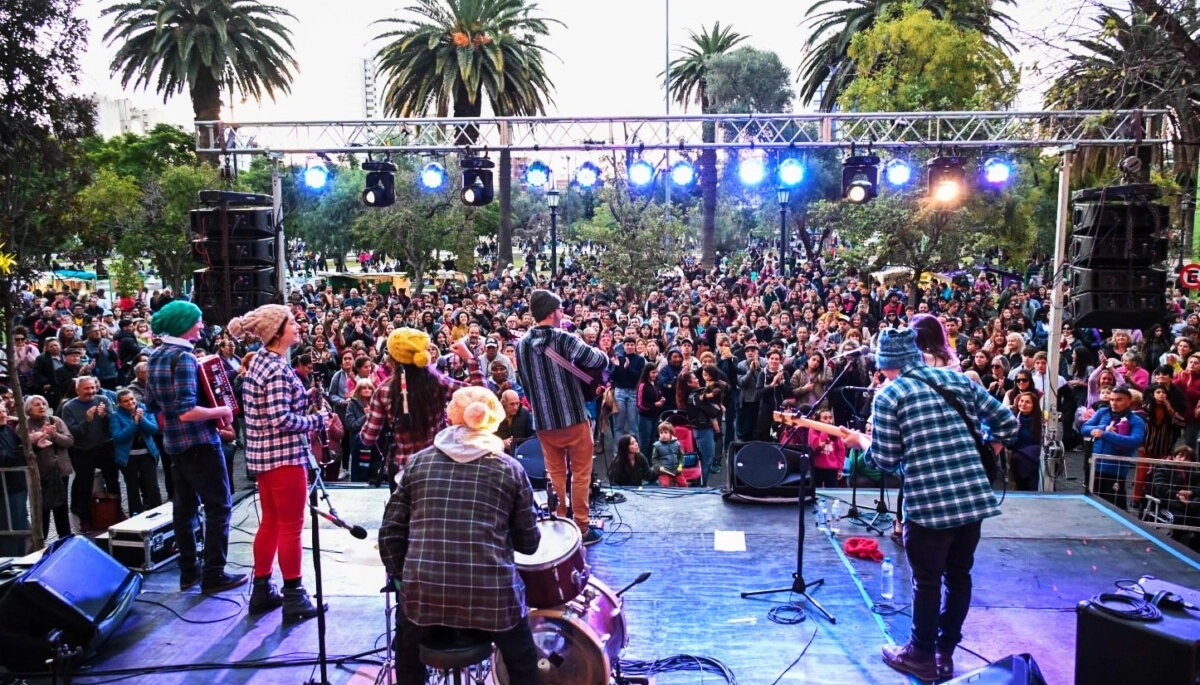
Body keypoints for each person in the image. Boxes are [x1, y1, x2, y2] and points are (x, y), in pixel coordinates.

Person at [840, 328, 1017, 683]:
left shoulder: (889, 395)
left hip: (928, 504)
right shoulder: (957, 380)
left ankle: (920, 655)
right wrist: (985, 451)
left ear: (886, 363)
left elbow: (886, 460)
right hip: (972, 498)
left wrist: (861, 442)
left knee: (927, 581)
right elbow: (1007, 423)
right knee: (959, 576)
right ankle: (944, 653)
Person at [379, 386, 541, 684]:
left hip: (424, 592)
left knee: (406, 652)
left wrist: (406, 576)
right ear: (493, 421)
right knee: (524, 663)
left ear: (451, 417)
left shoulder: (418, 462)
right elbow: (529, 544)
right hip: (491, 595)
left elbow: (389, 534)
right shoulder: (510, 469)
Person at [230, 303, 336, 620]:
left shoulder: (263, 362)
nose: (297, 326)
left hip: (265, 458)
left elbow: (277, 407)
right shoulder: (276, 369)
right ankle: (294, 596)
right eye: (291, 322)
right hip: (284, 459)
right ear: (277, 332)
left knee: (271, 523)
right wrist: (317, 420)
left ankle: (262, 590)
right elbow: (281, 419)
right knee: (291, 528)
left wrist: (307, 396)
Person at [144, 302, 246, 595]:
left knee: (184, 509)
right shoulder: (185, 359)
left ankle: (189, 572)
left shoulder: (155, 355)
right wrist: (222, 410)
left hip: (174, 446)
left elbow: (151, 405)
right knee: (219, 507)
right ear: (184, 324)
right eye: (198, 321)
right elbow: (187, 411)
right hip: (200, 444)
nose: (202, 325)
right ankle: (214, 574)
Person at [515, 290, 609, 546]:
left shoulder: (521, 345)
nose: (562, 313)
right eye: (559, 309)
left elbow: (525, 382)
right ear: (550, 312)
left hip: (544, 423)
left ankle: (559, 521)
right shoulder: (564, 339)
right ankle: (581, 526)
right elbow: (599, 360)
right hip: (573, 418)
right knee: (580, 473)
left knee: (555, 473)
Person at [360, 328, 480, 485]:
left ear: (393, 359)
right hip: (437, 465)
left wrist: (368, 416)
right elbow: (481, 395)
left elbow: (368, 438)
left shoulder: (383, 391)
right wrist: (469, 358)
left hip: (403, 471)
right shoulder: (437, 383)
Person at [60, 375, 120, 533]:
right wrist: (87, 420)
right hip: (83, 450)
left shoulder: (103, 400)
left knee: (113, 482)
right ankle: (84, 519)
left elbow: (114, 423)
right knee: (84, 486)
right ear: (77, 390)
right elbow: (73, 433)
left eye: (93, 387)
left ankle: (117, 511)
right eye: (86, 388)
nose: (91, 391)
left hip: (105, 446)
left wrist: (105, 416)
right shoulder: (69, 407)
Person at [1081, 386, 1146, 511]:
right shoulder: (1103, 412)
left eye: (1118, 400)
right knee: (1092, 505)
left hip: (1115, 469)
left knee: (1116, 507)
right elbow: (1084, 428)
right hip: (1095, 466)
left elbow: (1135, 441)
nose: (1114, 403)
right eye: (1111, 400)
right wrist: (1103, 428)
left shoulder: (1136, 420)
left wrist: (1106, 435)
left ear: (1129, 401)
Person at [20, 395, 73, 539]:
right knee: (42, 508)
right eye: (37, 404)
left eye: (43, 403)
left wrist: (54, 435)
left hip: (60, 471)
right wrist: (34, 441)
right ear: (29, 409)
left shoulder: (55, 421)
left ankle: (65, 538)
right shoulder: (24, 426)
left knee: (61, 507)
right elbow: (22, 450)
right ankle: (41, 540)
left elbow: (69, 441)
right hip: (39, 474)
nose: (42, 407)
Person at [110, 388, 163, 516]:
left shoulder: (145, 409)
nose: (130, 403)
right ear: (120, 403)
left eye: (132, 399)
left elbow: (154, 429)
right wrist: (134, 424)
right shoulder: (115, 416)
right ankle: (136, 514)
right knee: (132, 488)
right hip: (128, 457)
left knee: (152, 486)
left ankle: (158, 513)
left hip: (147, 455)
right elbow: (118, 437)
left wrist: (141, 419)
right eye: (126, 401)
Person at [0, 401, 26, 556]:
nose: (3, 415)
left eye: (3, 411)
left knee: (21, 527)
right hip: (5, 490)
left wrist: (34, 444)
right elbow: (4, 458)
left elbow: (21, 447)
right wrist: (26, 448)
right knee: (10, 530)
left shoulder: (7, 430)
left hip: (17, 486)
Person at [807, 409, 846, 488]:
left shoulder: (835, 431)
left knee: (832, 492)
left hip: (832, 468)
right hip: (816, 467)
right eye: (825, 418)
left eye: (830, 418)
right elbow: (816, 446)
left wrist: (840, 469)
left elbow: (840, 451)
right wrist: (825, 430)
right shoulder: (812, 430)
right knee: (815, 491)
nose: (829, 420)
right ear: (818, 420)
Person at [651, 422, 687, 488]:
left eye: (665, 432)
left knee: (683, 484)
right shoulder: (657, 446)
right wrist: (659, 467)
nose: (663, 435)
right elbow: (654, 459)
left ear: (671, 433)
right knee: (665, 485)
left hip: (676, 471)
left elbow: (681, 456)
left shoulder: (677, 444)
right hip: (664, 471)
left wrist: (680, 465)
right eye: (661, 433)